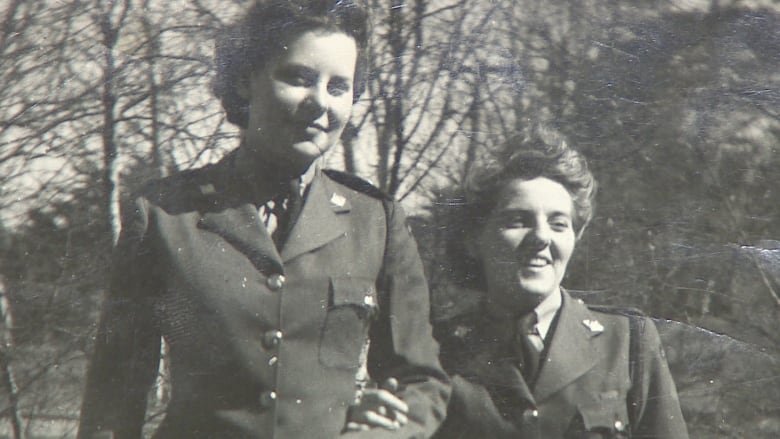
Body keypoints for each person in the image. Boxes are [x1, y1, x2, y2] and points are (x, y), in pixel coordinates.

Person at [76, 1, 449, 438]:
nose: (319, 103)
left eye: (338, 87)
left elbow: (422, 380)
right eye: (298, 78)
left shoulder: (376, 222)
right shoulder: (164, 216)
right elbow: (115, 395)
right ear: (245, 80)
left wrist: (387, 431)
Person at [432, 128, 689, 438]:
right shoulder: (436, 350)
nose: (541, 237)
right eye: (518, 220)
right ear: (474, 239)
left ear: (575, 238)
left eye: (558, 224)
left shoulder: (627, 342)